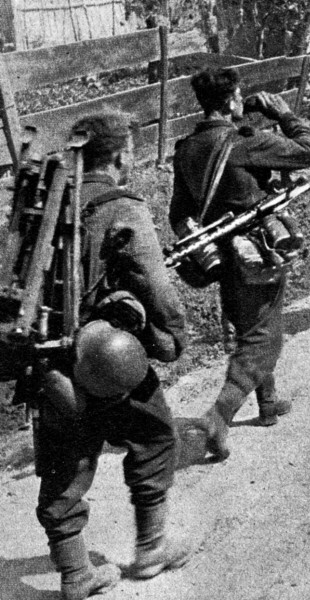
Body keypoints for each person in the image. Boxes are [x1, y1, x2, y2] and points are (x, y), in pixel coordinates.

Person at [35, 112, 191, 600]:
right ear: (122, 156)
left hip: (48, 356)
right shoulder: (121, 206)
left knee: (65, 462)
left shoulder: (45, 202)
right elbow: (155, 282)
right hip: (105, 354)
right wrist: (174, 335)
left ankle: (75, 573)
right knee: (154, 435)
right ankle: (151, 548)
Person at [170, 69, 310, 461]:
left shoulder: (186, 148)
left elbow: (178, 213)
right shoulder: (245, 143)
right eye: (239, 96)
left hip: (219, 255)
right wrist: (285, 114)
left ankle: (267, 403)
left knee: (250, 326)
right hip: (256, 251)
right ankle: (217, 420)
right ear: (230, 101)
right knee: (265, 339)